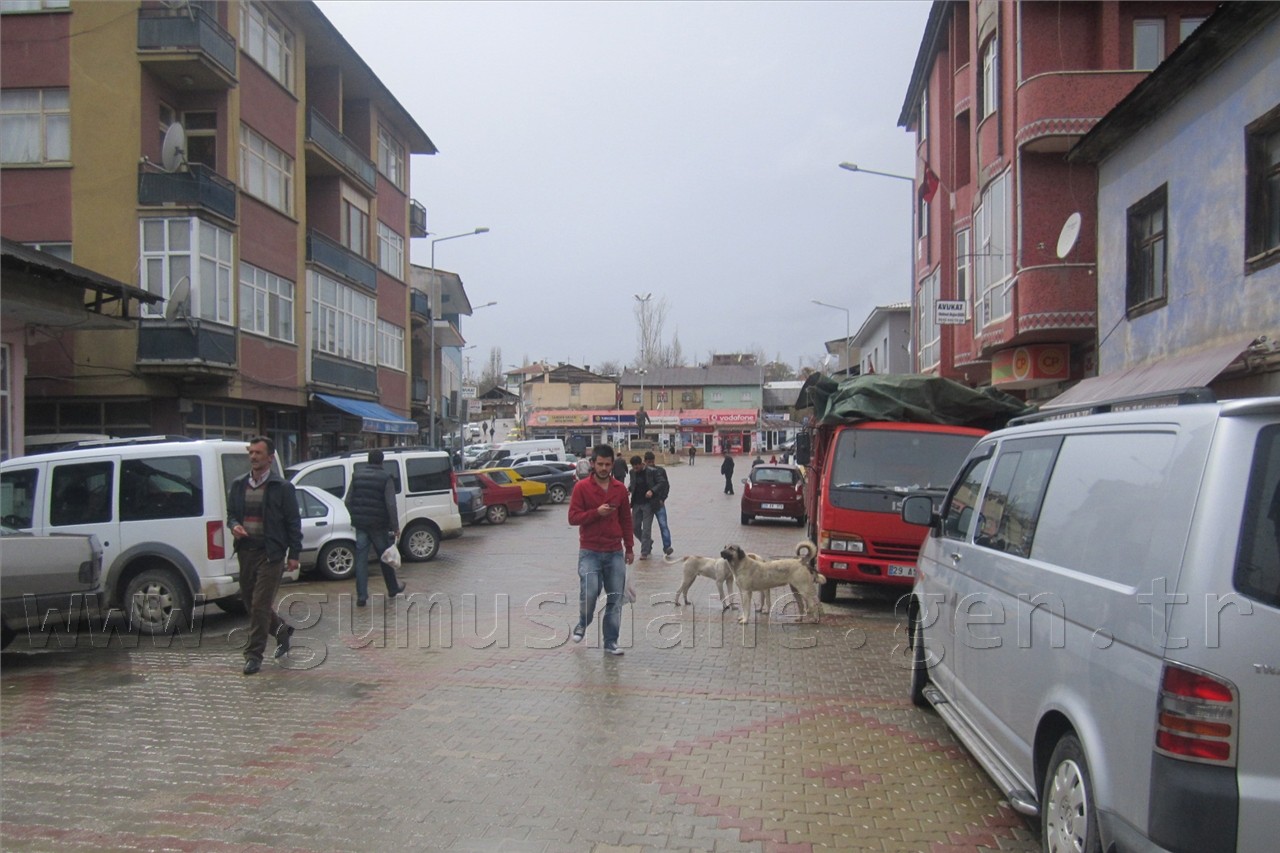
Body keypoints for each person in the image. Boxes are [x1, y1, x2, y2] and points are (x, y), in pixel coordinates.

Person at [227, 436, 302, 675]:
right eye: (251, 453)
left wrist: (294, 554)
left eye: (258, 453)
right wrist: (234, 525)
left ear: (269, 458)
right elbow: (231, 514)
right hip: (246, 551)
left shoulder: (282, 488)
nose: (253, 457)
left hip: (271, 553)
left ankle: (253, 655)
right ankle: (282, 632)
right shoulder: (239, 485)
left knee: (260, 604)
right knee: (250, 603)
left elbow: (293, 522)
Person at [567, 444, 634, 655]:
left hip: (614, 551)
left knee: (615, 599)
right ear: (593, 464)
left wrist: (629, 547)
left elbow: (626, 519)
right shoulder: (582, 488)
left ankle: (610, 642)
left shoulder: (620, 489)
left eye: (607, 464)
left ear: (612, 465)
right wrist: (596, 512)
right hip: (590, 551)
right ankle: (582, 622)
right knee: (590, 592)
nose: (604, 468)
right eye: (600, 464)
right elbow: (573, 517)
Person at [344, 448, 405, 607]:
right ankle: (392, 588)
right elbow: (390, 503)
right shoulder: (386, 477)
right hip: (378, 525)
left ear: (368, 460)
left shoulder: (357, 475)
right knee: (385, 556)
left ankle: (362, 596)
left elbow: (348, 500)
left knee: (361, 560)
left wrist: (355, 516)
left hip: (361, 525)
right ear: (381, 461)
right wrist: (395, 526)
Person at [643, 450, 673, 556]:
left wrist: (663, 499)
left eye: (652, 461)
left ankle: (667, 546)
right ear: (645, 461)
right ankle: (646, 546)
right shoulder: (642, 472)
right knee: (646, 527)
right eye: (648, 462)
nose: (650, 464)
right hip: (646, 504)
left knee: (663, 525)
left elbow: (666, 486)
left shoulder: (660, 471)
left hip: (659, 503)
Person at [628, 454, 654, 560]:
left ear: (641, 464)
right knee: (635, 528)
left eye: (637, 467)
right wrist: (628, 489)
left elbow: (658, 484)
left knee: (647, 529)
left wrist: (652, 491)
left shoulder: (650, 472)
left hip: (648, 504)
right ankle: (648, 542)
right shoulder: (632, 472)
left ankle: (644, 552)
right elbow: (632, 484)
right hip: (636, 504)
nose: (635, 469)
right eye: (633, 467)